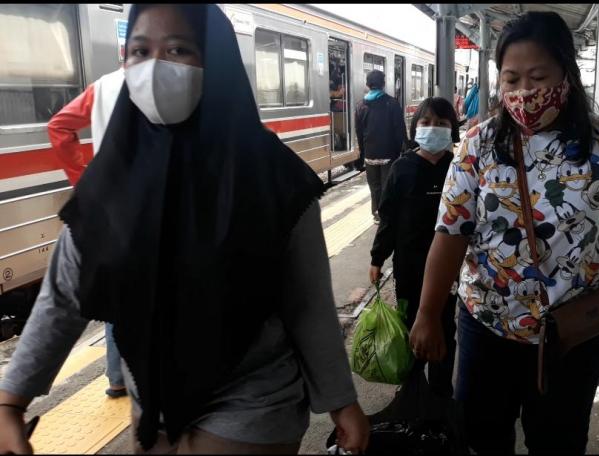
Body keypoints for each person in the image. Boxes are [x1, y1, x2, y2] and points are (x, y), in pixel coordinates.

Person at [0, 4, 369, 455]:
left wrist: (340, 400)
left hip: (253, 398)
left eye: (178, 49)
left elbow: (306, 299)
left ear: (216, 62)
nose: (155, 66)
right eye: (140, 50)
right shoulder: (112, 178)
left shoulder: (271, 177)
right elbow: (64, 292)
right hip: (150, 401)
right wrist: (10, 401)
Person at [408, 11, 599, 455]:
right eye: (511, 79)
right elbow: (451, 233)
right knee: (481, 437)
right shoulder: (478, 146)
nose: (523, 93)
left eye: (537, 76)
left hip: (573, 335)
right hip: (487, 328)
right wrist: (427, 313)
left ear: (566, 75)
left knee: (558, 442)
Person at [369, 97, 460, 398]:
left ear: (453, 130)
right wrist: (377, 257)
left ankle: (440, 392)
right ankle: (411, 386)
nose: (433, 128)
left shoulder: (459, 168)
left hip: (450, 269)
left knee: (446, 325)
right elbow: (388, 218)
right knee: (410, 323)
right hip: (408, 266)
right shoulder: (401, 168)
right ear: (414, 127)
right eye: (426, 122)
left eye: (442, 124)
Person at [47, 67, 128, 400]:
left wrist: (84, 181)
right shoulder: (184, 79)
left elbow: (59, 126)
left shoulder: (104, 85)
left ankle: (117, 377)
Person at [355, 70, 408, 223]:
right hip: (388, 153)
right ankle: (386, 213)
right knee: (387, 185)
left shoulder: (360, 105)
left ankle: (376, 213)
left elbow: (359, 131)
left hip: (370, 153)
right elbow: (399, 129)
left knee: (374, 187)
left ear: (367, 84)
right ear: (383, 84)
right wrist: (399, 150)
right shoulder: (391, 103)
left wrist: (362, 152)